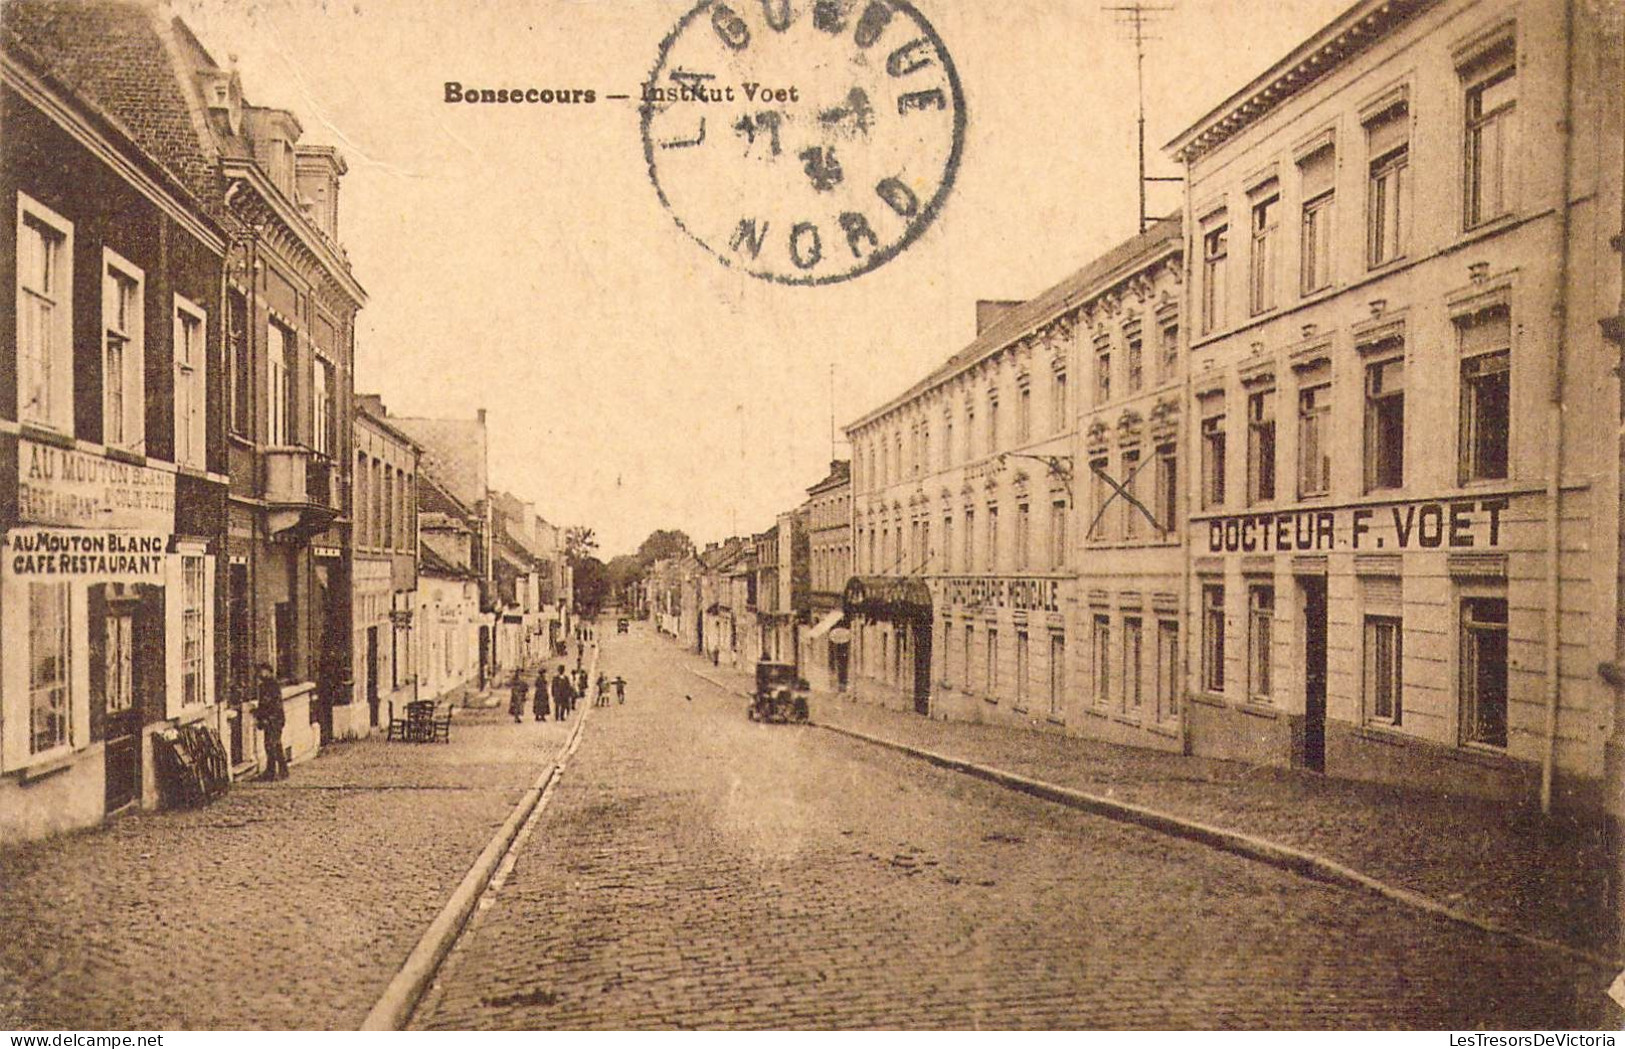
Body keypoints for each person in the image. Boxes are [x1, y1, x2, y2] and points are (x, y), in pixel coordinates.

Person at [254, 664, 289, 780]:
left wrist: (268, 718)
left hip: (274, 720)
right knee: (275, 745)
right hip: (269, 720)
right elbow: (262, 704)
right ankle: (281, 771)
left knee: (271, 745)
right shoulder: (263, 686)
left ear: (269, 672)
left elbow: (273, 704)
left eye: (263, 671)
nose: (261, 674)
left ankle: (272, 772)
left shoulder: (273, 685)